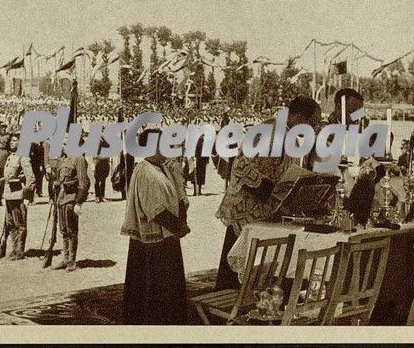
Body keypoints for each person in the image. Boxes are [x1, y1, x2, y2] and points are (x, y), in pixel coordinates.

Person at [214, 96, 321, 291]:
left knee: (259, 273)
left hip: (265, 211)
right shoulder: (267, 130)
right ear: (297, 117)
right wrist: (270, 189)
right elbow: (242, 166)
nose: (313, 128)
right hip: (245, 210)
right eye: (311, 123)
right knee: (235, 273)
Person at [121, 129, 190, 325]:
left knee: (169, 291)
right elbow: (155, 210)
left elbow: (178, 198)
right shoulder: (145, 171)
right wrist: (179, 227)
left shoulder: (164, 168)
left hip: (167, 238)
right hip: (152, 243)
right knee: (154, 293)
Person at [51, 136, 90, 272]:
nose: (63, 146)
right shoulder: (62, 160)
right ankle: (66, 258)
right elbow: (58, 179)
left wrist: (79, 202)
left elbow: (83, 183)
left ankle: (71, 261)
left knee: (72, 231)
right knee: (63, 230)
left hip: (71, 199)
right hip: (61, 199)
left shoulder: (79, 159)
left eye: (66, 143)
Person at [2, 132, 35, 260]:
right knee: (10, 223)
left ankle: (20, 250)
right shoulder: (11, 157)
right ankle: (14, 249)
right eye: (11, 140)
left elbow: (31, 179)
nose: (12, 142)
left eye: (15, 140)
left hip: (18, 195)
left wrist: (26, 196)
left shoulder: (24, 158)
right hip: (9, 195)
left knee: (19, 223)